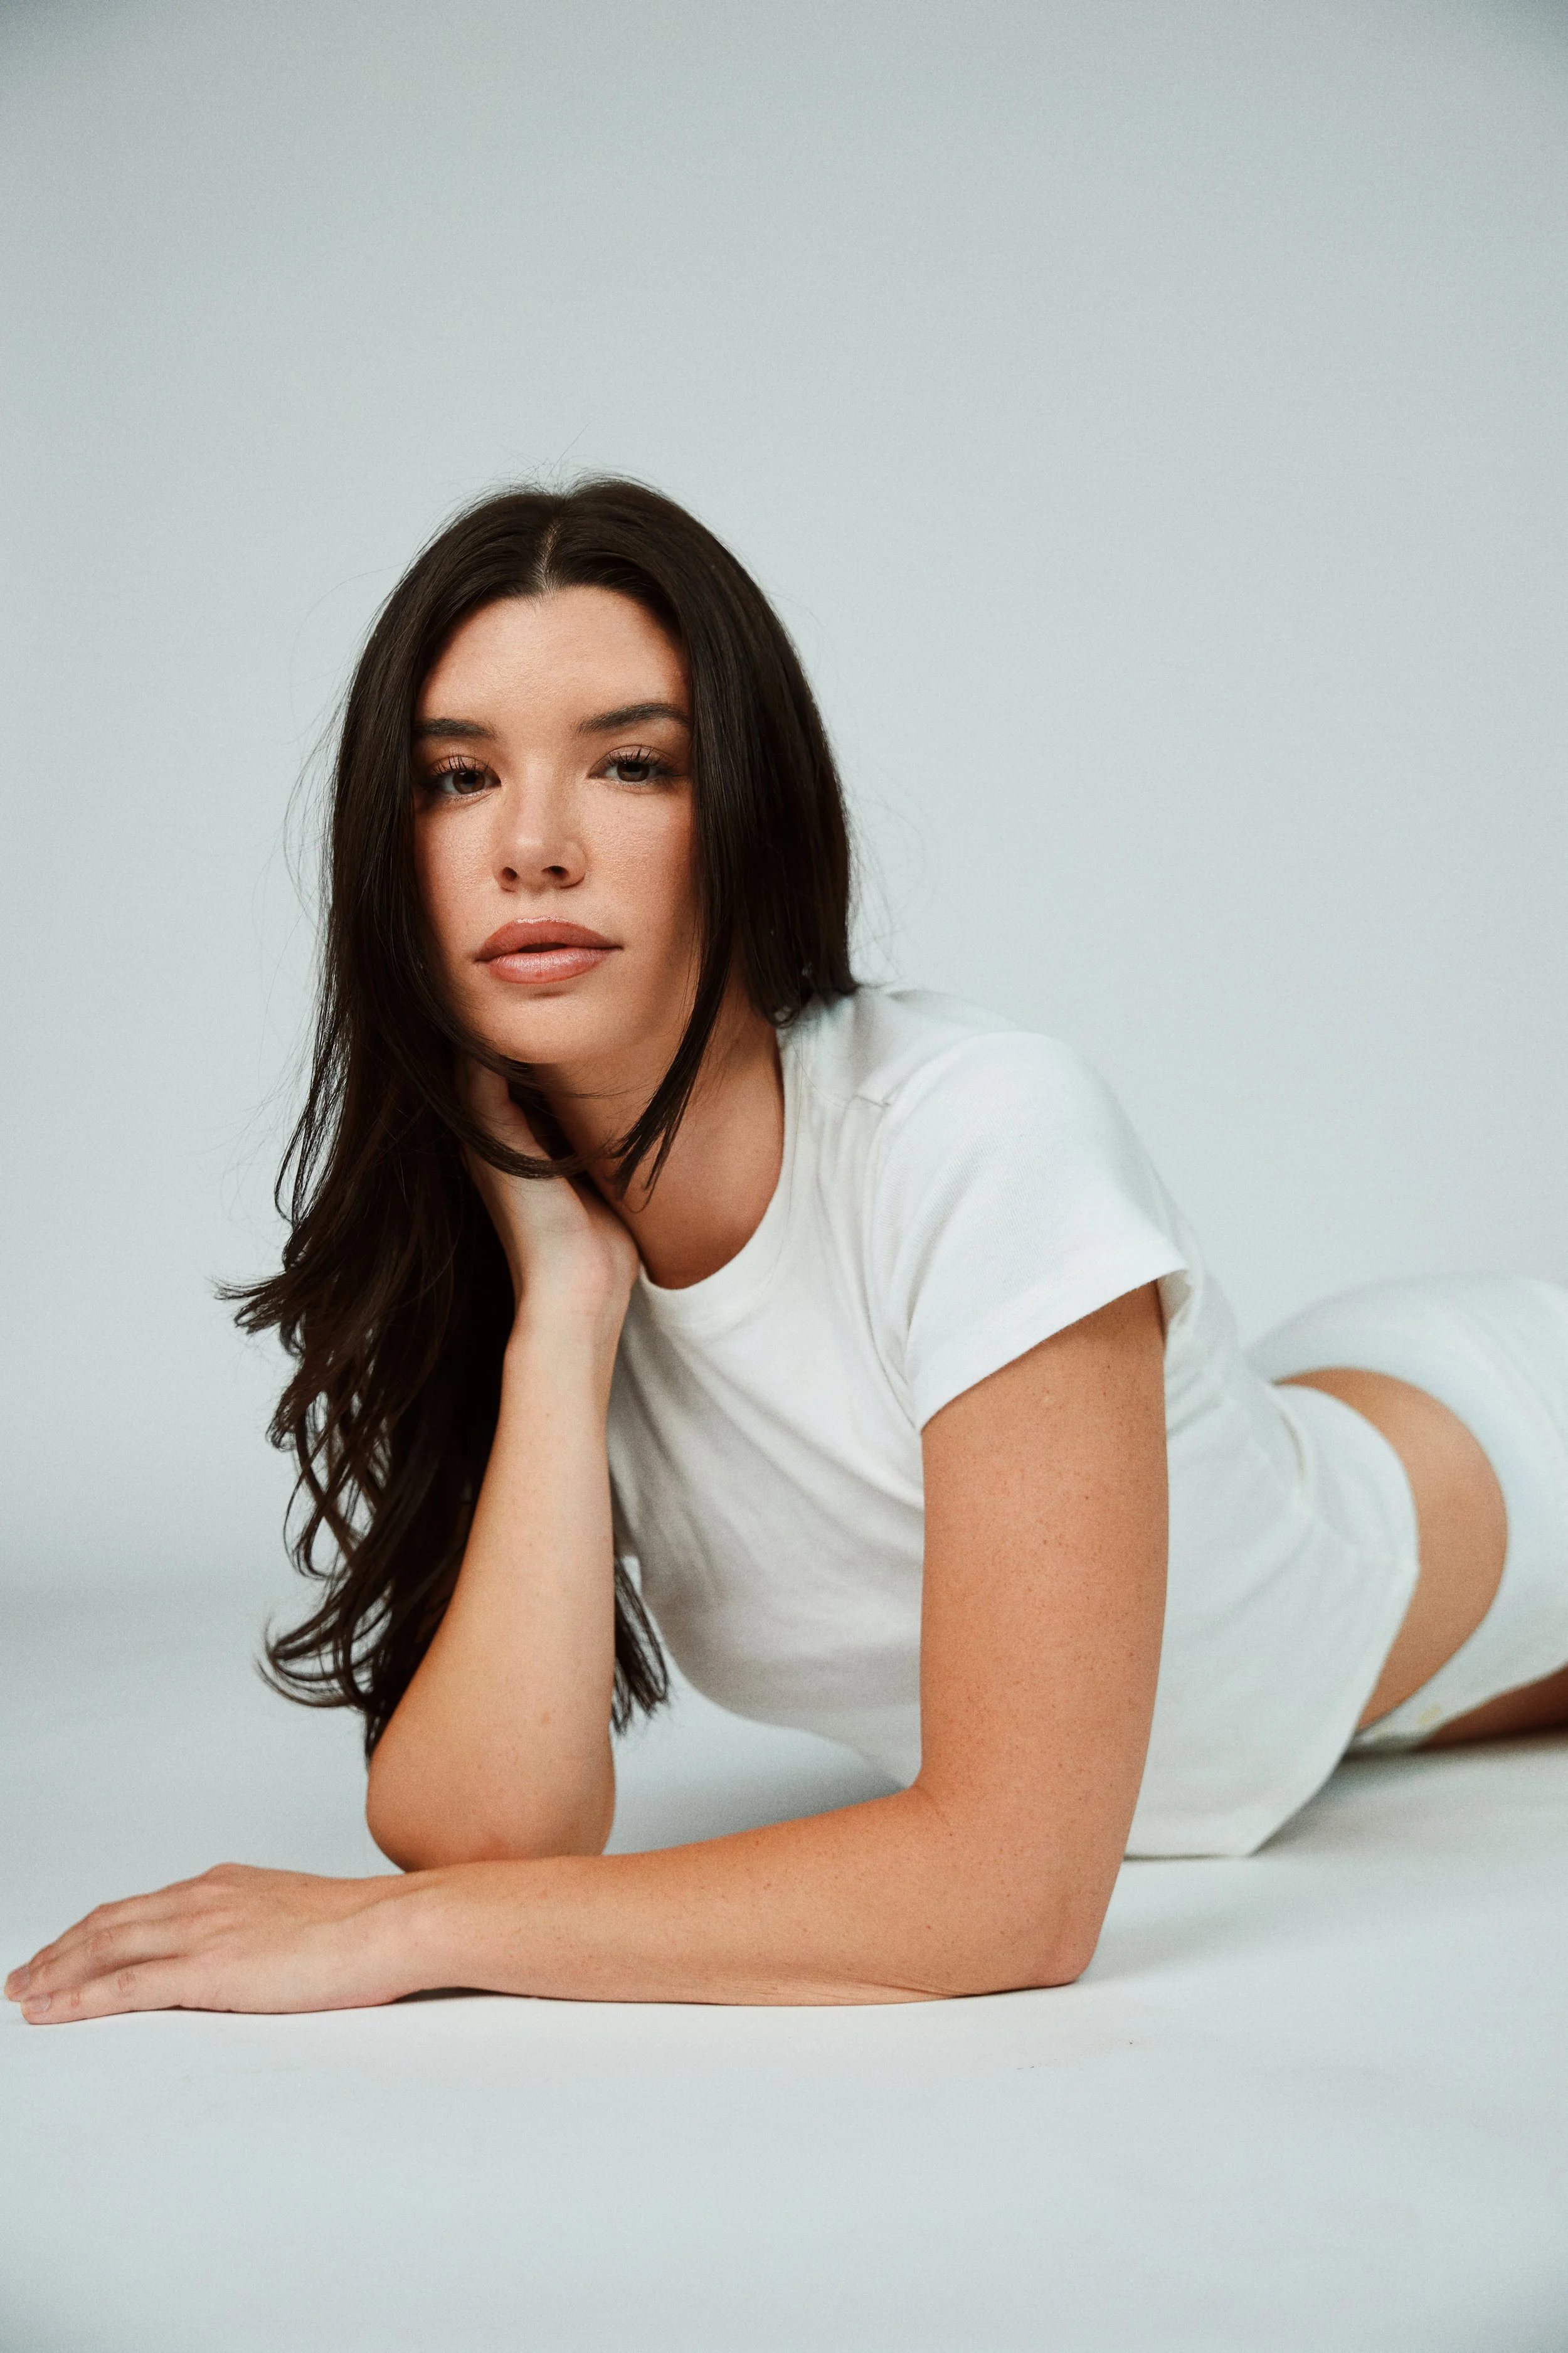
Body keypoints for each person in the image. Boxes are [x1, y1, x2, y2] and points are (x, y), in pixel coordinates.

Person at [9, 481, 1568, 2025]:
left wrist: (386, 1940)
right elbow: (487, 1832)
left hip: (1509, 1456)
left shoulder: (973, 1132)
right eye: (457, 779)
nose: (533, 847)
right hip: (1342, 1702)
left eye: (630, 765)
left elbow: (1010, 1900)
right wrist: (564, 1314)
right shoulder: (516, 1239)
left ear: (746, 814)